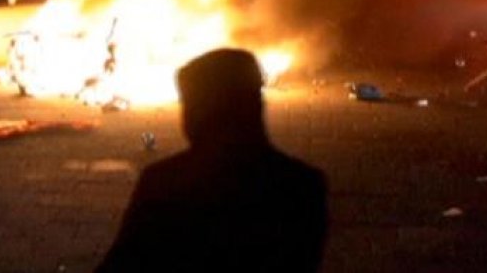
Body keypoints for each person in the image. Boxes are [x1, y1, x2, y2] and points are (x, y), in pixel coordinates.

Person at [97, 48, 328, 273]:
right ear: (257, 105)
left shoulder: (165, 183)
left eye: (189, 105)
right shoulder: (305, 185)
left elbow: (123, 263)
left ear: (203, 110)